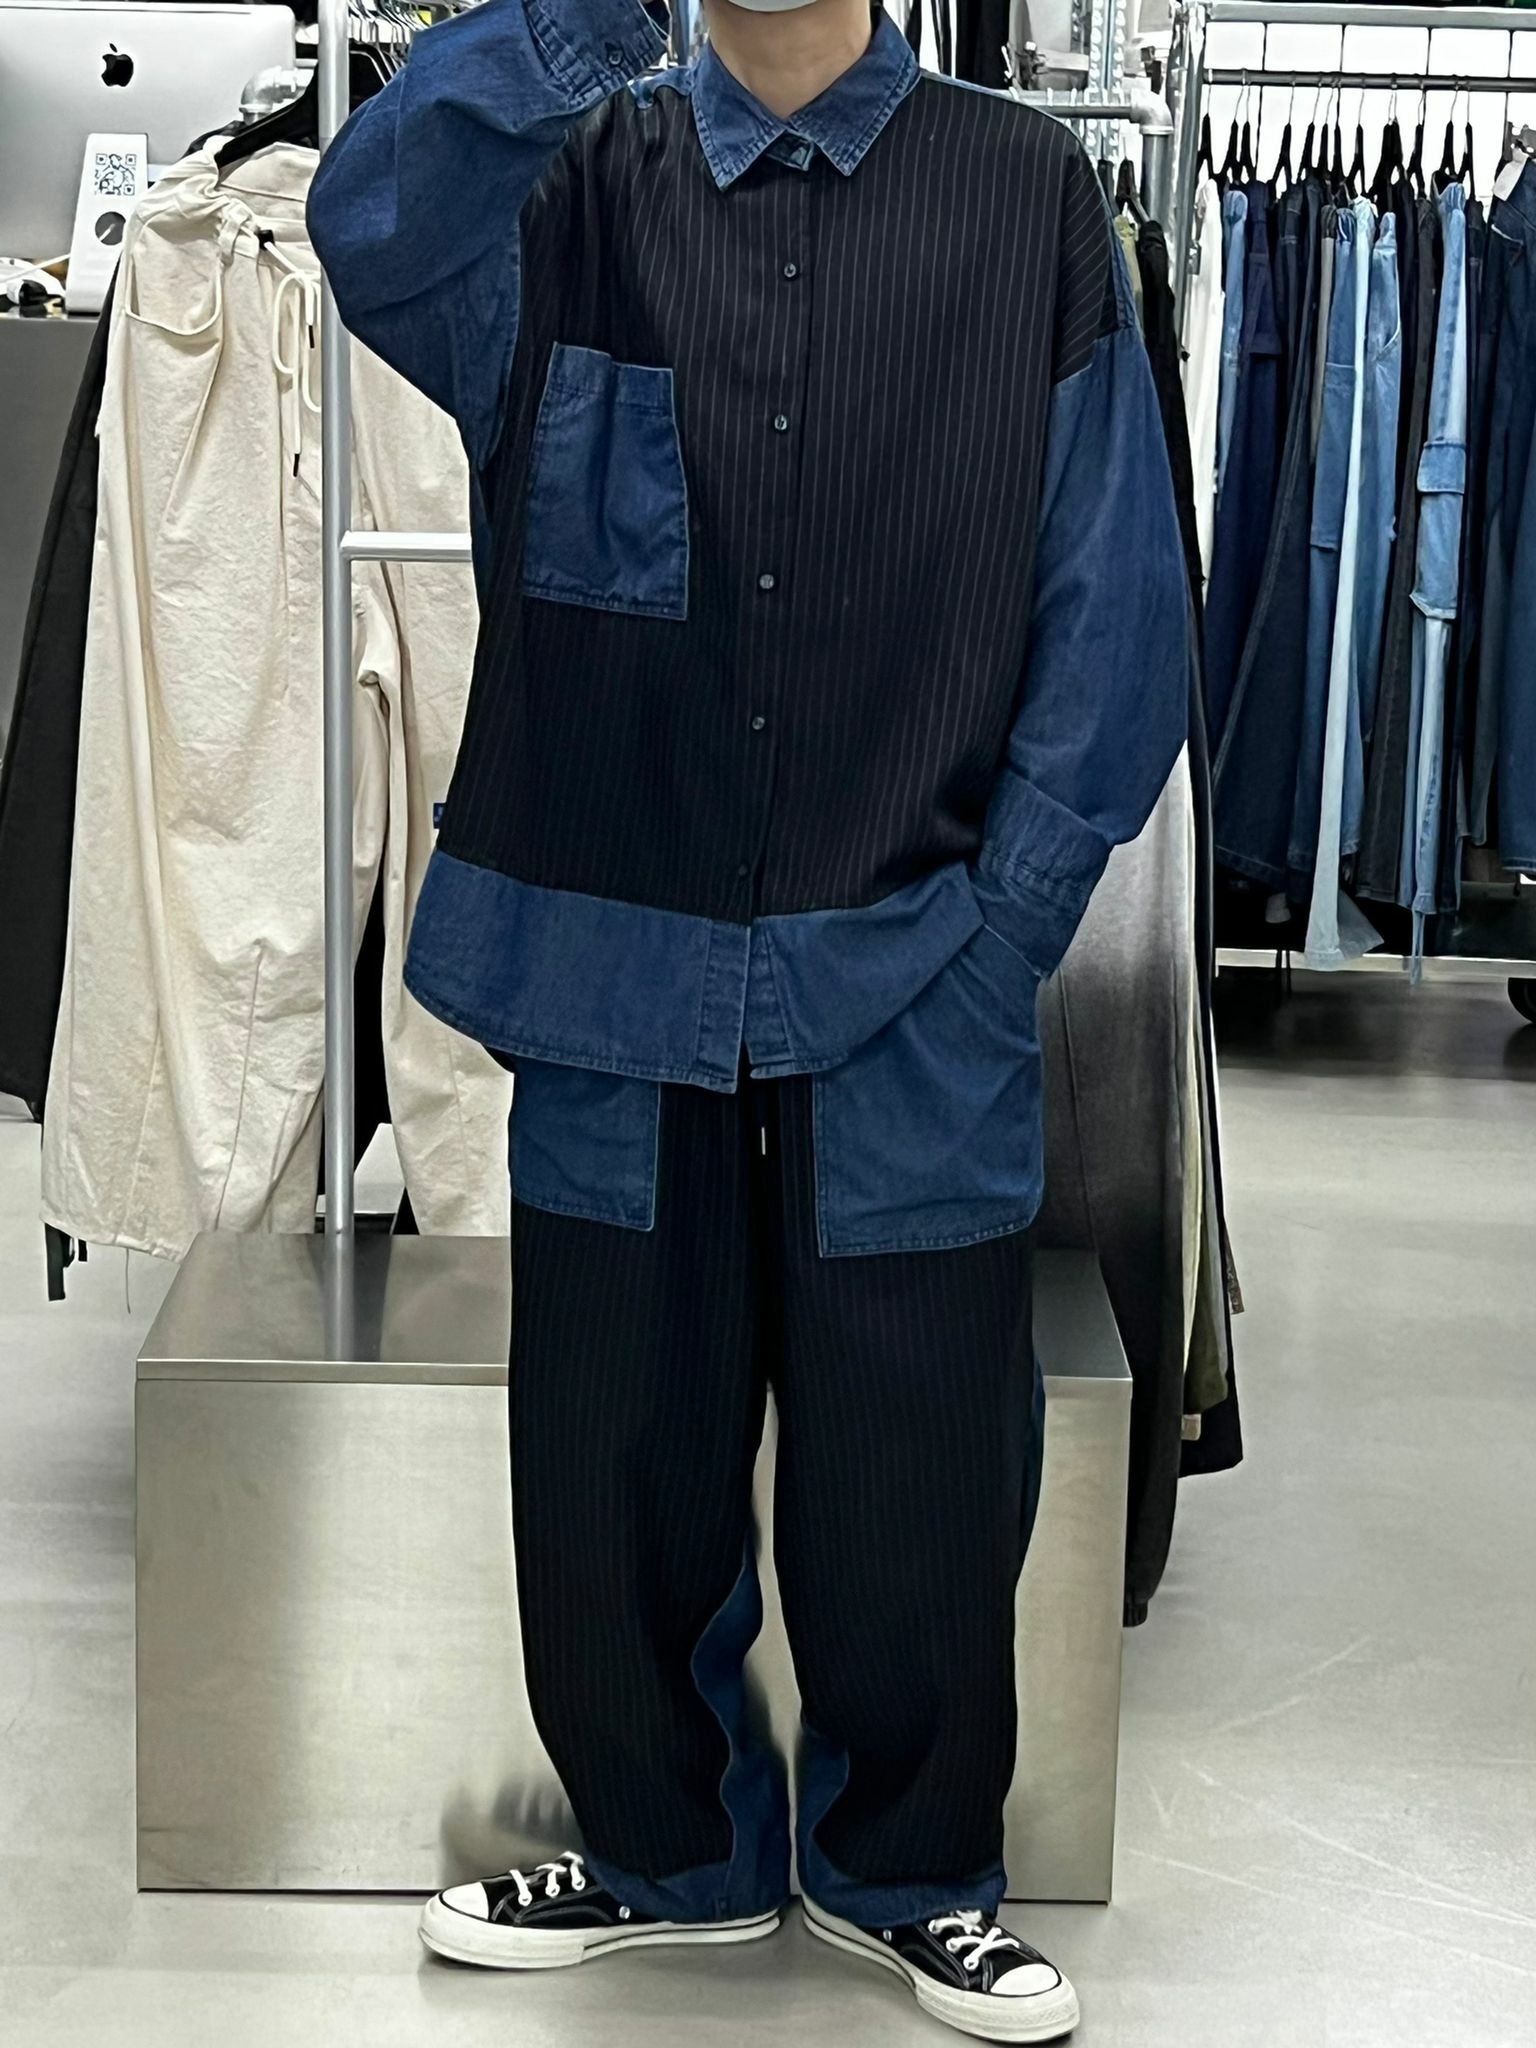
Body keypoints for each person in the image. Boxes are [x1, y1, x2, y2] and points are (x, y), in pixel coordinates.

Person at [309, 0, 1187, 2037]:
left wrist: (1002, 931)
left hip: (916, 961)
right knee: (610, 1438)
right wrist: (573, 24)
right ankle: (663, 1848)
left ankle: (917, 1869)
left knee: (921, 1449)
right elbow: (366, 227)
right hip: (612, 956)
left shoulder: (1026, 198)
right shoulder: (556, 189)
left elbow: (1115, 602)